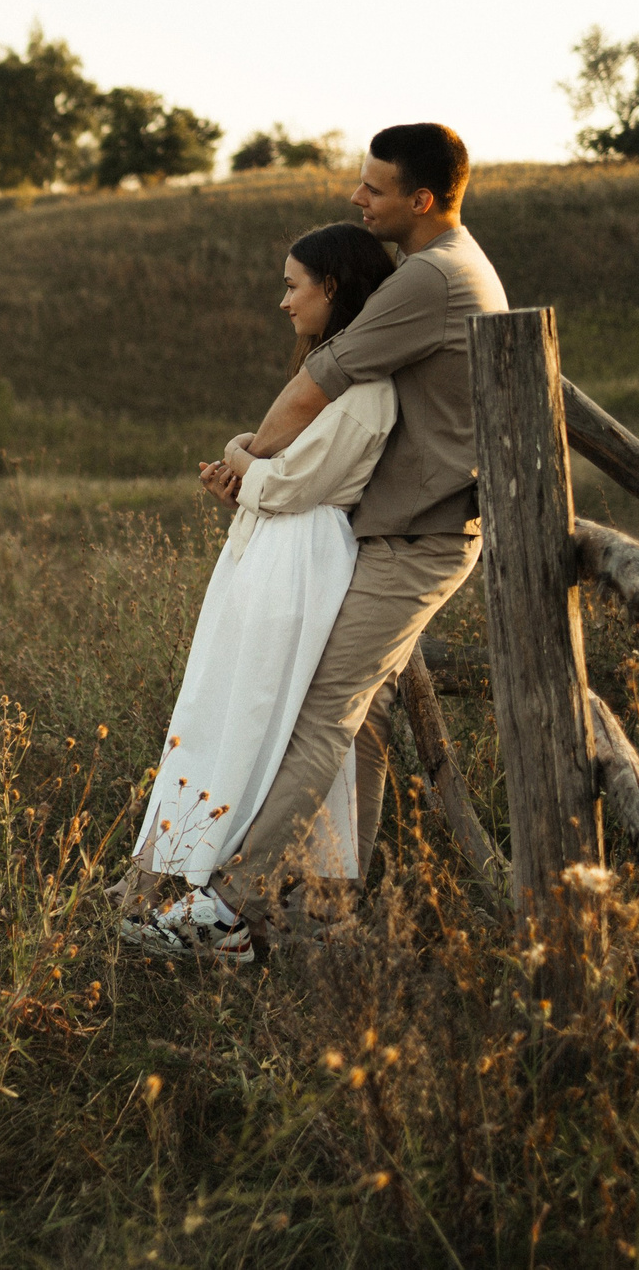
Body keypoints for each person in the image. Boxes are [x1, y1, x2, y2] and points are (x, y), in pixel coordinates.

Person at [163, 123, 507, 955]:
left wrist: (249, 452)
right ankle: (327, 898)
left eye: (373, 188)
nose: (358, 198)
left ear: (420, 200)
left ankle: (229, 910)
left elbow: (321, 380)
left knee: (324, 711)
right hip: (404, 528)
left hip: (422, 536)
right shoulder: (456, 265)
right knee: (366, 717)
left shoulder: (431, 275)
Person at [116, 223, 400, 963]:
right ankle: (182, 873)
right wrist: (245, 473)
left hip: (302, 560)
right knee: (226, 704)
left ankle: (244, 895)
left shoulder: (365, 388)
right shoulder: (332, 373)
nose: (283, 301)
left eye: (292, 284)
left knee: (263, 715)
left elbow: (291, 481)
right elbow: (276, 481)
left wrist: (242, 455)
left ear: (332, 287)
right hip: (271, 553)